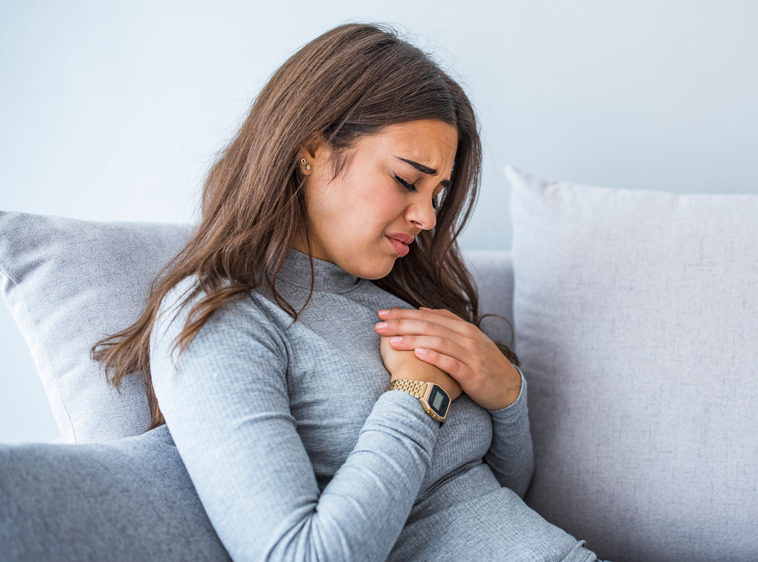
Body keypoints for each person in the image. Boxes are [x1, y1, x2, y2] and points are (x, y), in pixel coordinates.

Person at [88, 23, 602, 561]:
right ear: (310, 149)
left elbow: (495, 495)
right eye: (407, 180)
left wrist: (506, 392)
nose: (427, 217)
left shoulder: (397, 295)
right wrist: (416, 399)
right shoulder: (222, 315)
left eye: (438, 193)